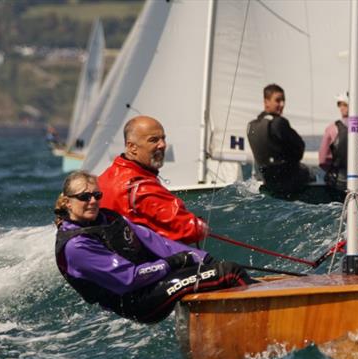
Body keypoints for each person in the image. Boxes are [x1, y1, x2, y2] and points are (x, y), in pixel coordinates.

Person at [54, 171, 255, 324]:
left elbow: (155, 242)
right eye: (84, 197)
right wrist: (173, 263)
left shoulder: (109, 218)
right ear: (67, 202)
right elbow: (129, 278)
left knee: (217, 270)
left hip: (151, 283)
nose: (93, 202)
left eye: (97, 195)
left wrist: (201, 258)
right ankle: (257, 321)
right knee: (230, 272)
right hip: (138, 301)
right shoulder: (76, 246)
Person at [98, 115, 209, 245]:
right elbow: (192, 229)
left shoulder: (103, 177)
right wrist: (201, 225)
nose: (162, 145)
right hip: (140, 261)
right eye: (153, 140)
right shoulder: (142, 188)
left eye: (163, 138)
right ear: (132, 147)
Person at [247, 83, 311, 195]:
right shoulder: (279, 123)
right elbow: (299, 149)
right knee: (310, 171)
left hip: (267, 180)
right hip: (288, 183)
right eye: (277, 100)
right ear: (266, 101)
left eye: (283, 101)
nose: (281, 104)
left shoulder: (251, 125)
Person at [318, 93, 349, 187]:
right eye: (340, 104)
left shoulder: (332, 128)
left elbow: (322, 160)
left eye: (344, 104)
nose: (341, 108)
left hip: (339, 180)